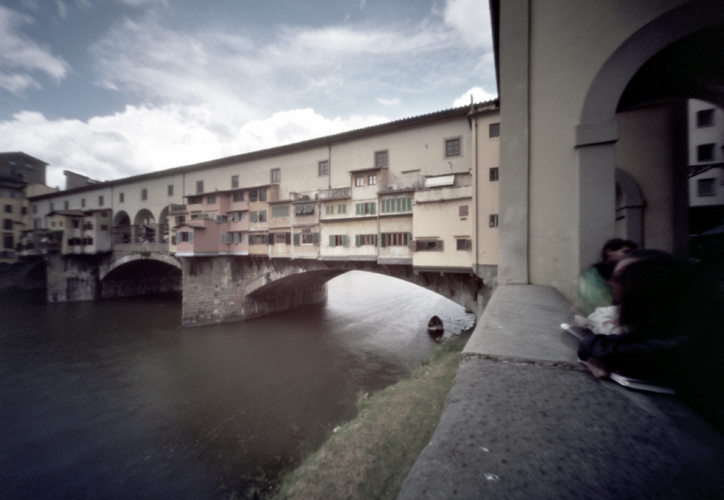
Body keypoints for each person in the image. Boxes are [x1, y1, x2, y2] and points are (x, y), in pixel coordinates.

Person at [578, 249, 724, 426]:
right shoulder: (668, 321)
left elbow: (630, 354)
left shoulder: (702, 329)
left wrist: (606, 355)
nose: (610, 283)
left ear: (643, 284)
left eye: (618, 278)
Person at [577, 238, 637, 315]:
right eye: (626, 252)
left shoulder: (631, 272)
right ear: (609, 252)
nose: (629, 256)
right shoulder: (594, 274)